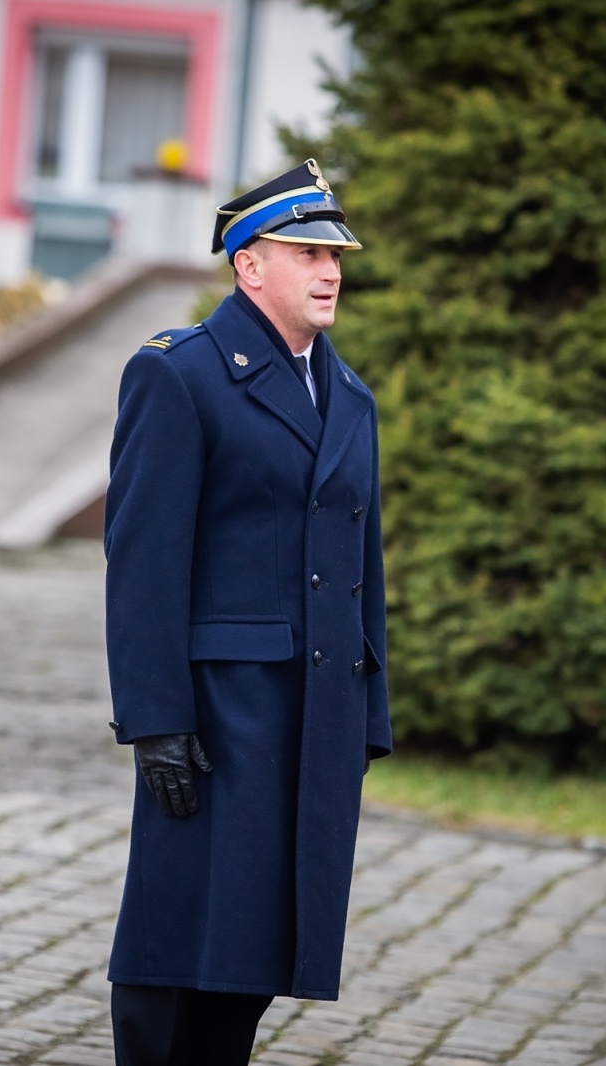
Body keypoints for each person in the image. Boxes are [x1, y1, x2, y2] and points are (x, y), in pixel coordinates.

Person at [102, 159, 391, 1066]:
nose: (330, 269)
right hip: (220, 716)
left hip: (314, 714)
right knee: (174, 942)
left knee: (257, 949)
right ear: (247, 264)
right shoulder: (181, 378)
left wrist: (367, 717)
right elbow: (143, 564)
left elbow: (361, 566)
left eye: (335, 252)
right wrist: (155, 720)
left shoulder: (350, 396)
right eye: (306, 250)